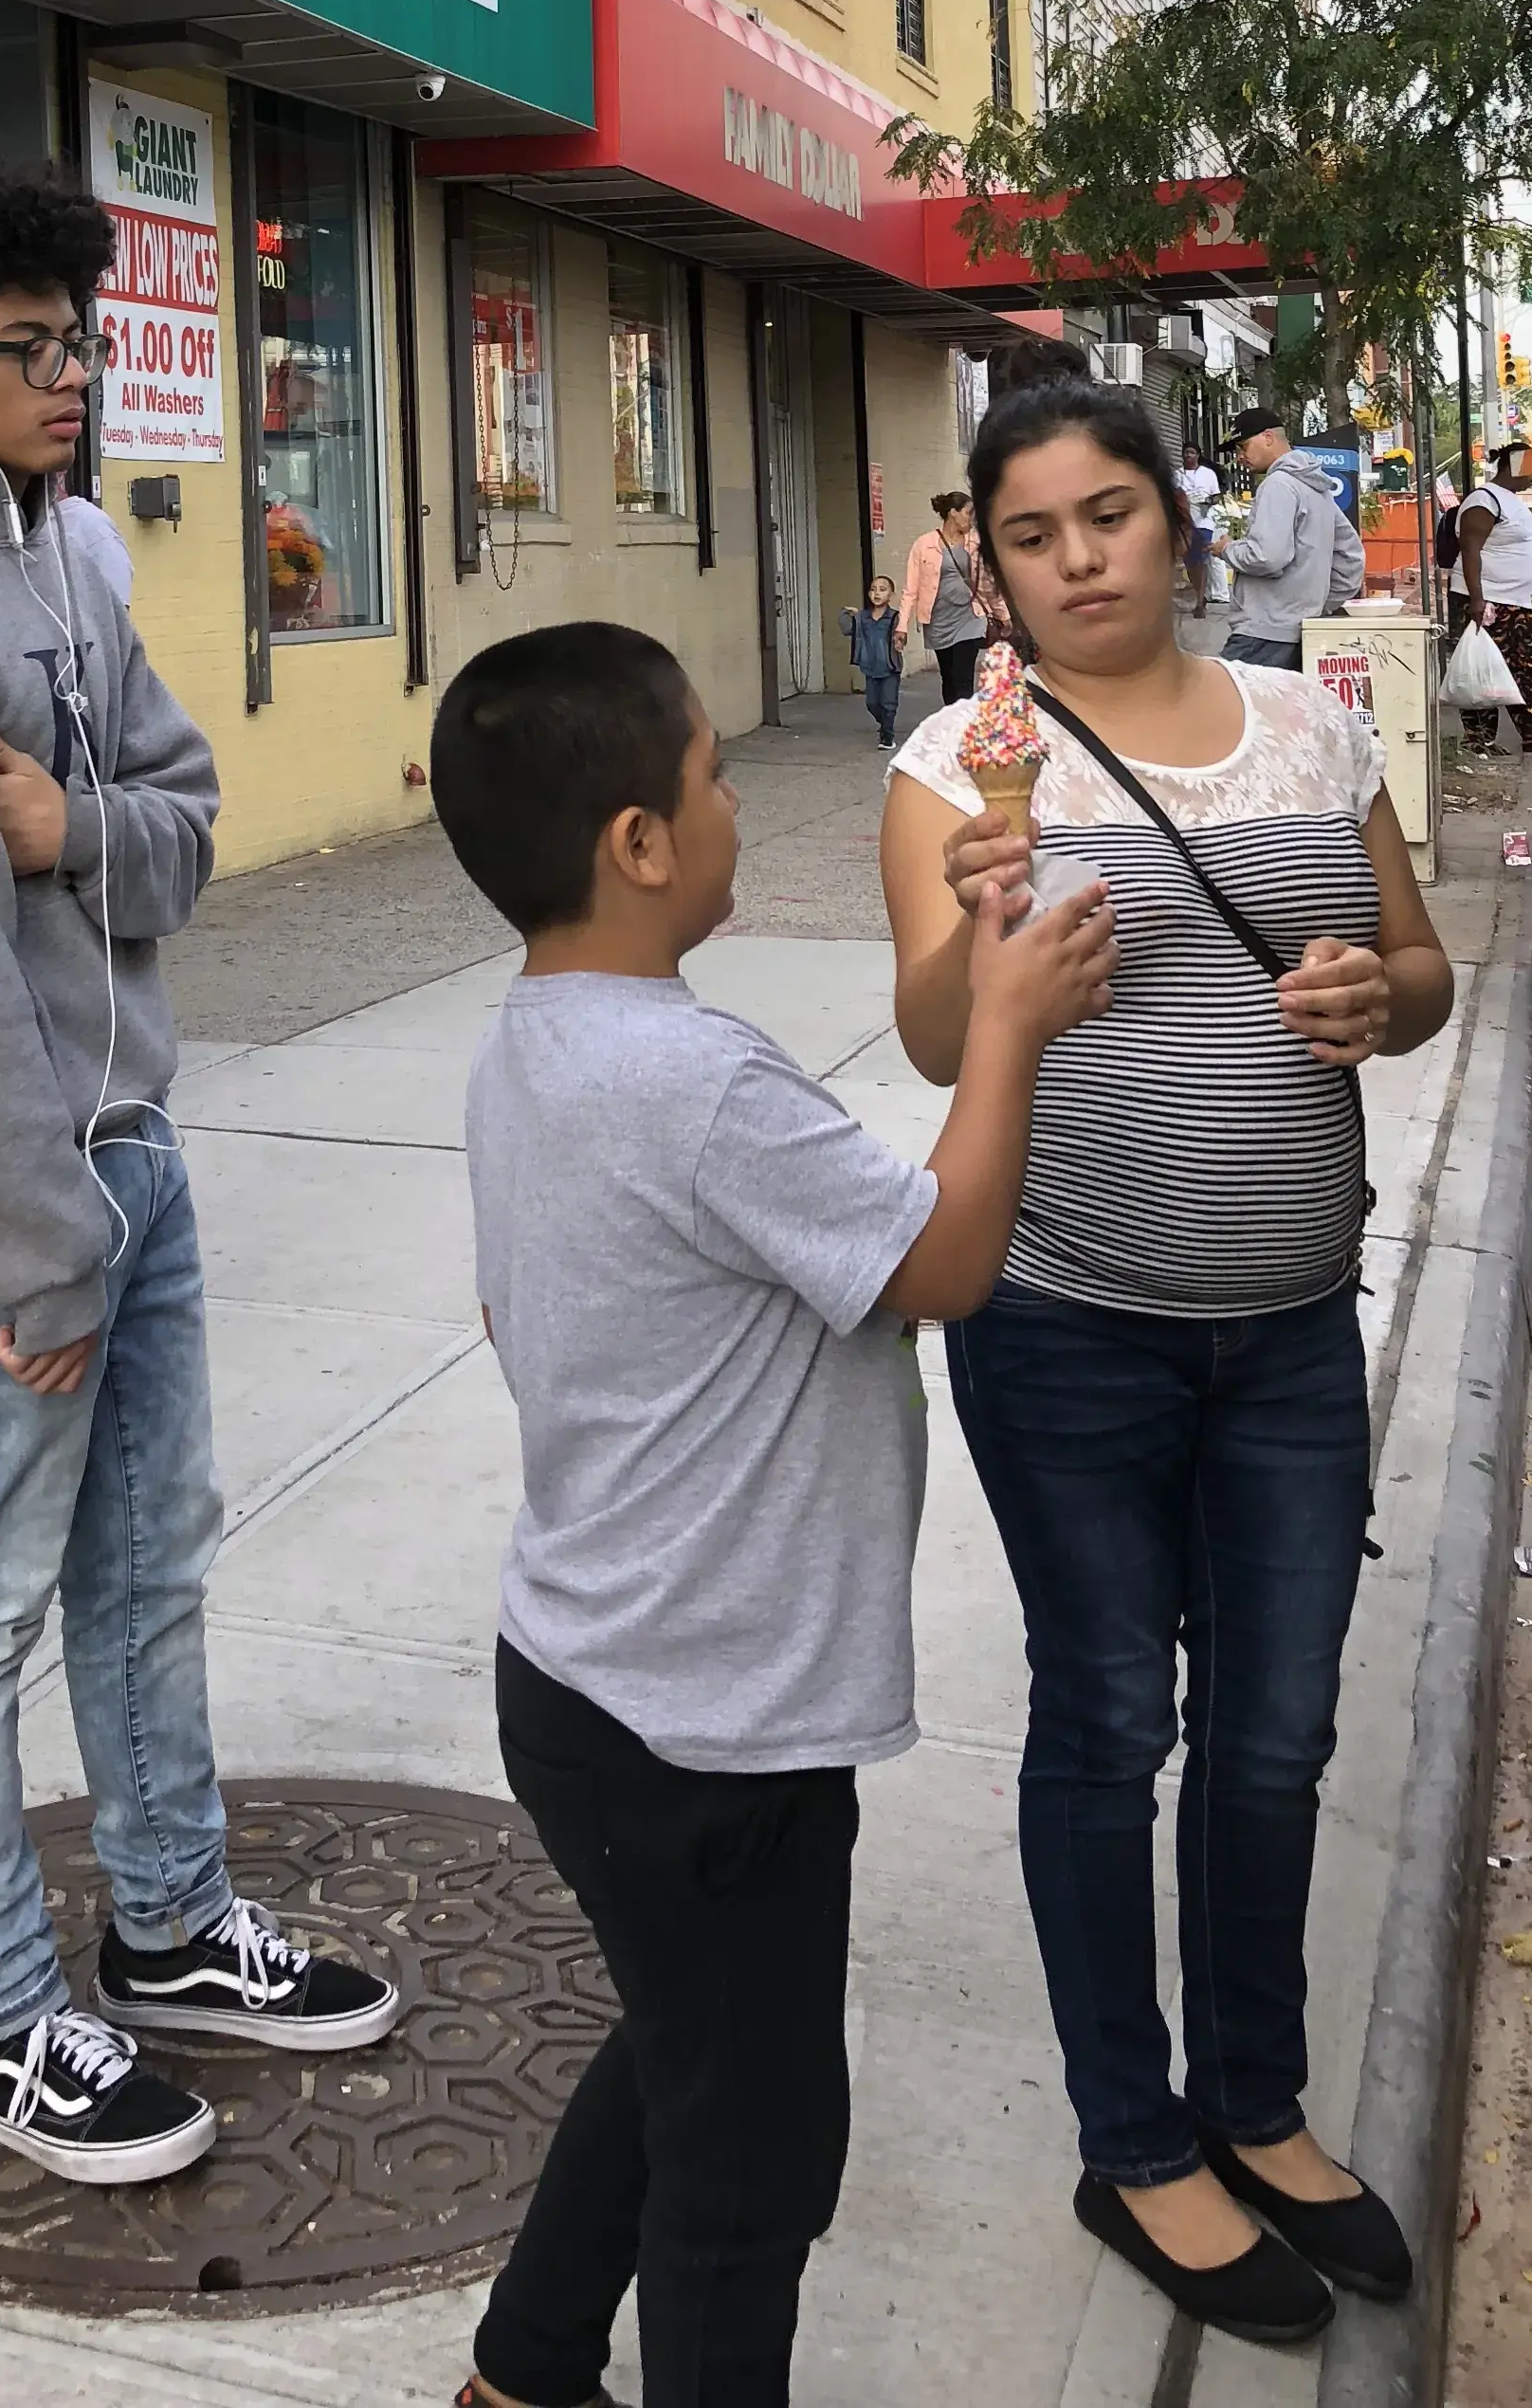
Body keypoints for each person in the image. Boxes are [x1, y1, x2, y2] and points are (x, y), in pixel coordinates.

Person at [0, 167, 396, 2184]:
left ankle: (172, 1919)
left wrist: (75, 833)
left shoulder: (57, 568)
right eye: (21, 344)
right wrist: (35, 1243)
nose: (70, 375)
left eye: (78, 337)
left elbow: (185, 822)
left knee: (144, 1562)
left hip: (129, 1149)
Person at [431, 622, 1113, 2408]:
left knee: (687, 2049)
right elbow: (942, 1261)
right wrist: (1009, 1027)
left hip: (587, 1678)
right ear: (639, 844)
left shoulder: (531, 1044)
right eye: (717, 775)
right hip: (709, 1724)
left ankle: (522, 2371)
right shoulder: (701, 1079)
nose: (738, 802)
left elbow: (521, 1308)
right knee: (750, 2165)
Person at [882, 374, 1453, 2352]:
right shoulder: (961, 765)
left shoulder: (1310, 725)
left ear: (1177, 519)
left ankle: (1255, 2105)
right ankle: (1133, 2142)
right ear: (991, 564)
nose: (1076, 561)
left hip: (1289, 1330)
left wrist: (1378, 993)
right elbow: (935, 1041)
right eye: (1030, 536)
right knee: (1109, 1721)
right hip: (1067, 1329)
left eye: (1107, 515)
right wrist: (984, 944)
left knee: (1276, 1731)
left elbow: (1420, 964)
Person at [1216, 407, 1340, 670]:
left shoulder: (1278, 484)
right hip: (1303, 632)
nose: (1239, 457)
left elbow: (1268, 557)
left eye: (1243, 446)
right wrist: (1314, 608)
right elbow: (1351, 560)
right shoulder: (1317, 488)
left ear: (1268, 437)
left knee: (1215, 696)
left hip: (1263, 633)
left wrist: (1227, 549)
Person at [1450, 439, 1532, 753]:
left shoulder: (1509, 500)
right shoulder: (1485, 500)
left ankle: (1526, 734)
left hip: (1515, 600)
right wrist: (1477, 600)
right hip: (1491, 600)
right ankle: (1484, 738)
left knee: (1514, 670)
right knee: (1490, 671)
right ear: (1515, 465)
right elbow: (1471, 550)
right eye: (1531, 469)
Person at [898, 489, 991, 705]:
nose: (972, 519)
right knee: (948, 679)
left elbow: (987, 582)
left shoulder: (975, 543)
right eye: (968, 513)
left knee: (962, 679)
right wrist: (902, 626)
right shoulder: (924, 544)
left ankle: (964, 723)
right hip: (939, 621)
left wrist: (1002, 614)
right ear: (953, 513)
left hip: (970, 617)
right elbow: (910, 589)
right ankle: (951, 718)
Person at [842, 573, 904, 749]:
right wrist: (847, 614)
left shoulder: (895, 617)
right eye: (873, 589)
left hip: (889, 668)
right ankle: (885, 724)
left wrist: (900, 642)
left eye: (882, 590)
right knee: (872, 704)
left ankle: (887, 738)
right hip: (870, 667)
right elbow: (846, 629)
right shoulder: (863, 617)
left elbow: (902, 636)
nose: (877, 593)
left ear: (891, 595)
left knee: (889, 703)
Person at [1176, 448, 1223, 615]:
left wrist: (1208, 501)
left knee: (1201, 559)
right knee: (1190, 562)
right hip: (1185, 523)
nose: (1188, 455)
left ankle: (1199, 603)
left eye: (1192, 452)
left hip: (1204, 522)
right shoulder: (1177, 475)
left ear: (1198, 455)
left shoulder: (1208, 474)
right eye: (1186, 452)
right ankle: (1199, 594)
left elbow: (1217, 496)